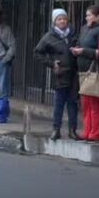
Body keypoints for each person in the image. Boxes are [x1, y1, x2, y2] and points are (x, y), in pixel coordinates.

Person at [35, 9, 79, 141]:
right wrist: (51, 63)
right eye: (59, 19)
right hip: (60, 74)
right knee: (59, 103)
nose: (62, 21)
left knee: (73, 103)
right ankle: (56, 129)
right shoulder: (49, 36)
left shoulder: (73, 34)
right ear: (54, 21)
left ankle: (72, 130)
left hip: (74, 73)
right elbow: (38, 53)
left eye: (64, 18)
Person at [70, 5, 99, 142]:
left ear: (98, 16)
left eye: (89, 15)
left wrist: (83, 51)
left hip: (94, 71)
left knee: (95, 103)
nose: (87, 18)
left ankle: (95, 133)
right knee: (86, 104)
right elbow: (80, 43)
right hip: (83, 70)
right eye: (86, 15)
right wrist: (76, 49)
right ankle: (87, 131)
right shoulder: (84, 29)